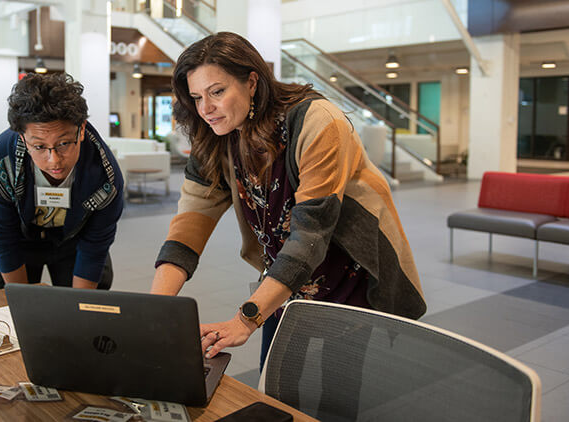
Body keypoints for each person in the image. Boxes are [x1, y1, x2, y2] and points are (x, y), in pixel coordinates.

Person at [150, 32, 426, 369]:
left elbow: (310, 235)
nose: (206, 109)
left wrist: (245, 320)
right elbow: (189, 226)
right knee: (276, 380)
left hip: (345, 272)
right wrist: (154, 311)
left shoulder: (317, 121)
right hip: (284, 276)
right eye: (196, 97)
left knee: (335, 389)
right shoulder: (217, 135)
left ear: (251, 82)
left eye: (217, 92)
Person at [0, 72, 123, 291]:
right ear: (23, 139)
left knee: (85, 309)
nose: (54, 160)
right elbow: (2, 238)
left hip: (74, 239)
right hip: (14, 237)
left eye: (63, 143)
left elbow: (95, 247)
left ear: (81, 130)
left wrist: (79, 307)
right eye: (40, 147)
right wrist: (21, 303)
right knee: (7, 309)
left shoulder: (105, 176)